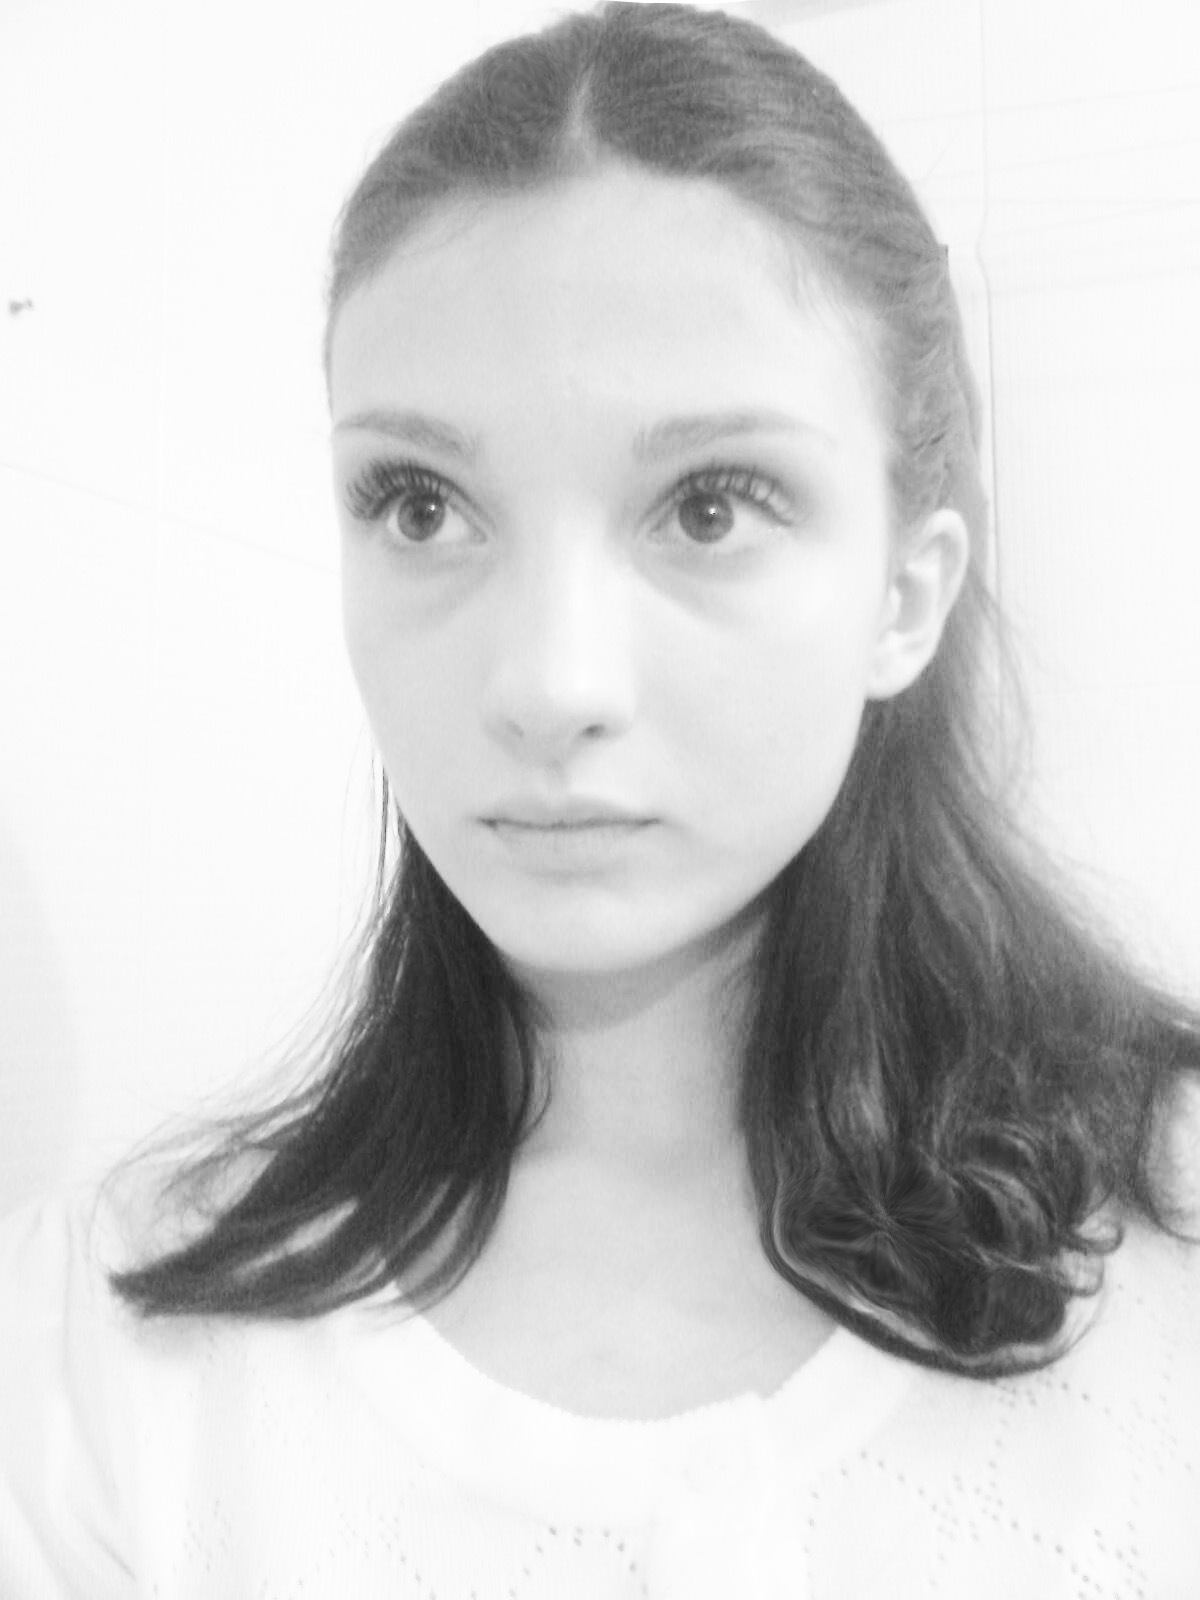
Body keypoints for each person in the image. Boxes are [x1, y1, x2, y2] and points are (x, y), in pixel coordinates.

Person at [2, 3, 1199, 1595]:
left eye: (709, 505)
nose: (548, 680)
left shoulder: (1169, 1250)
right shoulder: (107, 1359)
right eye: (419, 505)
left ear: (905, 596)